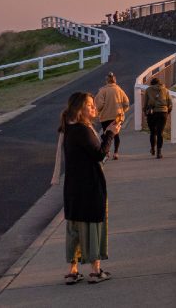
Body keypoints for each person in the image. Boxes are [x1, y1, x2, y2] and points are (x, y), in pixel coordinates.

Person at [59, 92, 113, 284]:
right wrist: (110, 133)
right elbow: (99, 155)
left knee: (74, 228)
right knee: (92, 227)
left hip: (73, 187)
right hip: (89, 186)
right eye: (89, 105)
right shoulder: (82, 130)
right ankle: (96, 270)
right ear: (80, 109)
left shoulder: (69, 129)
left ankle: (73, 271)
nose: (93, 108)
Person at [94, 73, 130, 160]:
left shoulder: (102, 91)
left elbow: (99, 105)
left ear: (106, 81)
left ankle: (107, 151)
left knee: (106, 134)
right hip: (117, 116)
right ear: (115, 80)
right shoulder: (119, 90)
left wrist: (98, 112)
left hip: (105, 116)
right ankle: (116, 153)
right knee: (116, 134)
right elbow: (126, 103)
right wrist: (122, 111)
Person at [143, 77, 172, 159]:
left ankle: (152, 148)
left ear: (152, 83)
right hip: (163, 113)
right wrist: (167, 112)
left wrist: (145, 111)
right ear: (160, 83)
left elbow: (145, 103)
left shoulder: (148, 90)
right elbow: (170, 103)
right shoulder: (165, 90)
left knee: (153, 132)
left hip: (152, 113)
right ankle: (159, 153)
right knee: (160, 133)